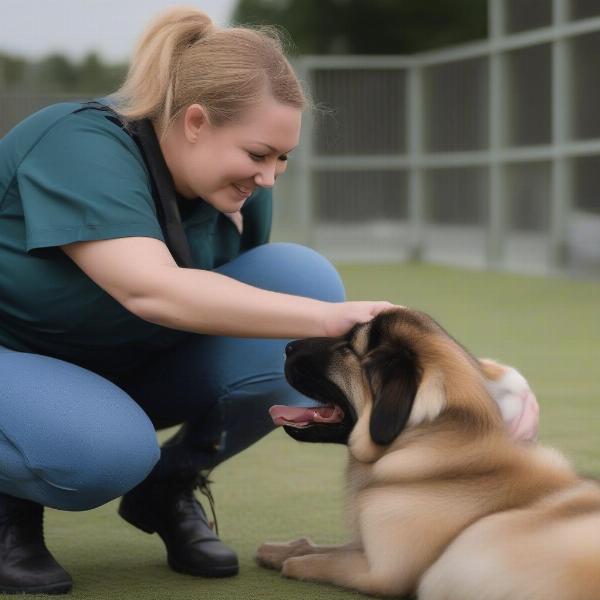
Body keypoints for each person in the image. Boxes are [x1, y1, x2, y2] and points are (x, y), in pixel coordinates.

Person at [0, 6, 539, 595]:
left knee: (300, 279)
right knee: (104, 453)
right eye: (259, 154)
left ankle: (168, 487)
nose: (270, 178)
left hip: (113, 367)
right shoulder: (79, 142)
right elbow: (149, 289)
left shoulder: (239, 187)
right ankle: (11, 504)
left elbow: (242, 312)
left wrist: (485, 382)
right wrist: (334, 320)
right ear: (196, 122)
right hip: (17, 365)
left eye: (283, 159)